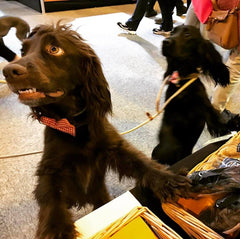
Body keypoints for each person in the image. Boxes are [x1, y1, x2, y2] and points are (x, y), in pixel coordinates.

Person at [185, 0, 240, 112]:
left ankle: (182, 78)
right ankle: (214, 111)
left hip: (206, 6)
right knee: (236, 64)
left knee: (188, 35)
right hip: (221, 9)